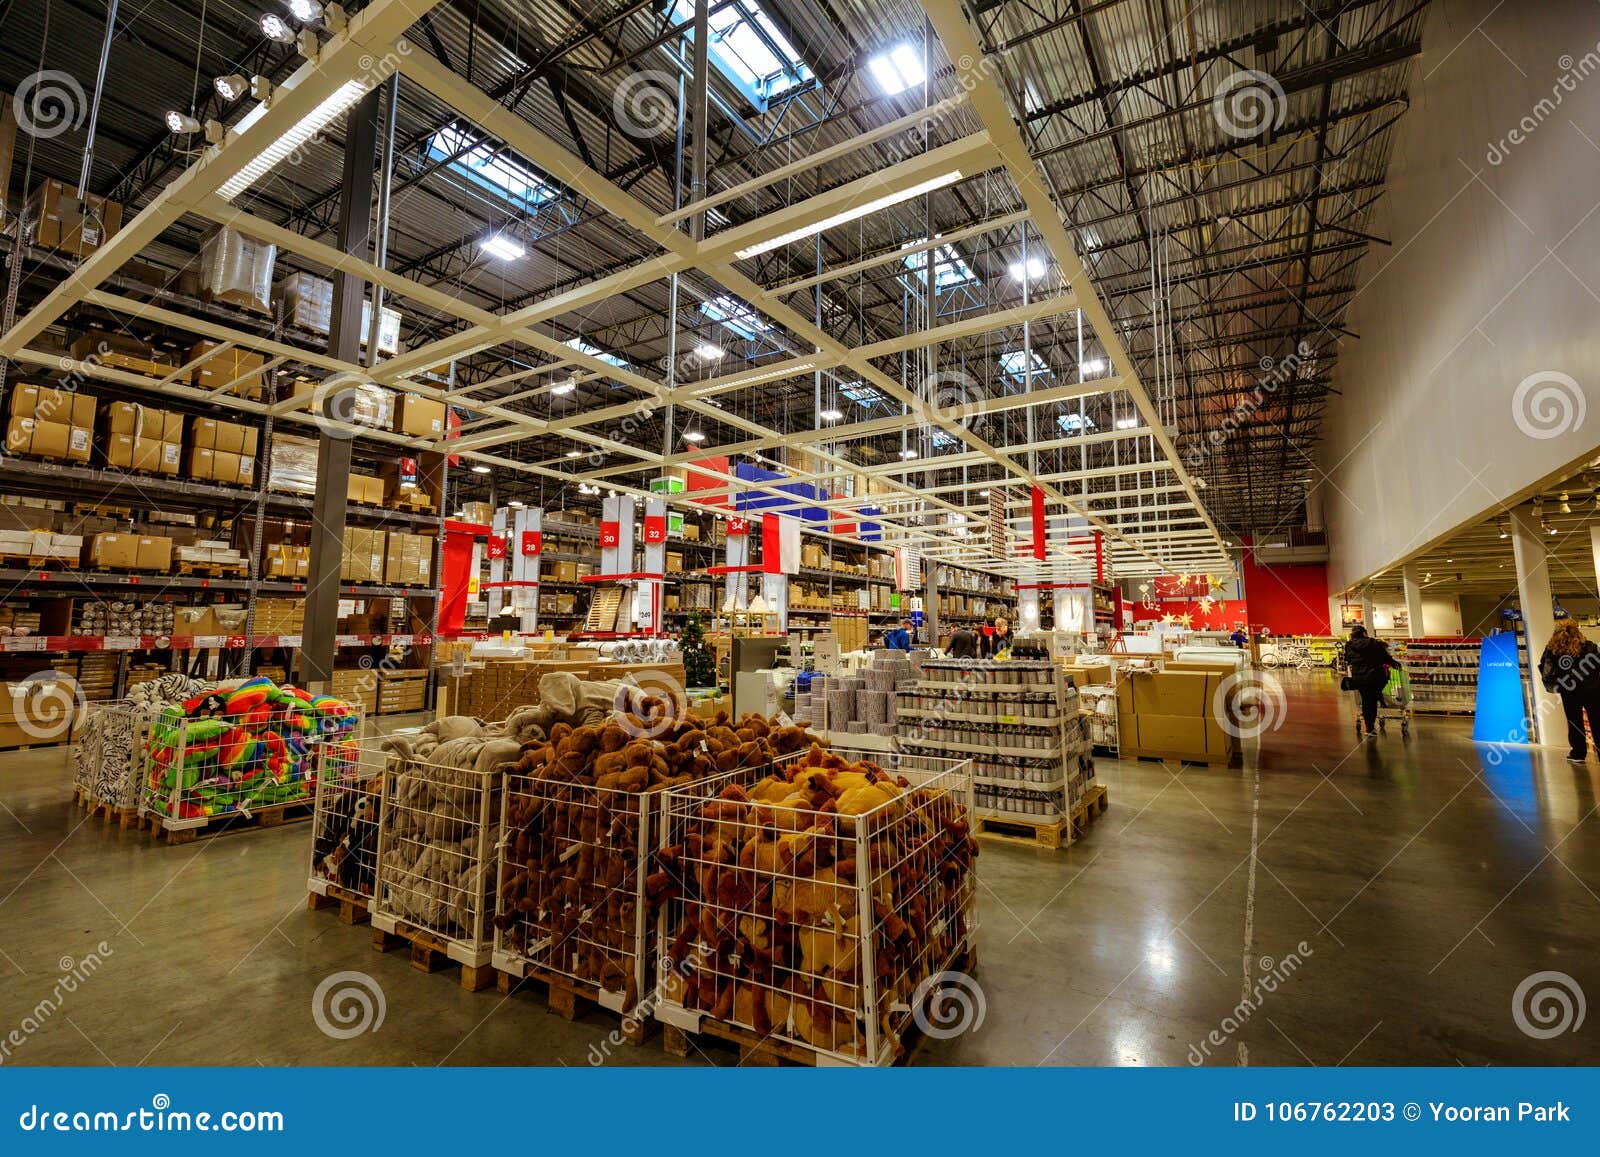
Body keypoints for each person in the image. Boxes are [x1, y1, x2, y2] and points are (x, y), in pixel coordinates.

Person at [1539, 620, 1600, 763]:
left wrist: (1556, 683)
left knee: (1574, 722)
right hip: (1593, 689)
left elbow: (1546, 669)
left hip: (1569, 690)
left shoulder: (1553, 649)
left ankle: (1578, 753)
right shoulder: (1588, 646)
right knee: (1597, 721)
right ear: (1576, 630)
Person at [1343, 625, 1402, 739]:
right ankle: (1370, 727)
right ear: (1364, 633)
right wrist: (1395, 665)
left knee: (1366, 700)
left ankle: (1369, 727)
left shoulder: (1349, 644)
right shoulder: (1372, 642)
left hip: (1358, 678)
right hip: (1374, 677)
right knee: (1372, 701)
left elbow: (1348, 659)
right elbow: (1384, 657)